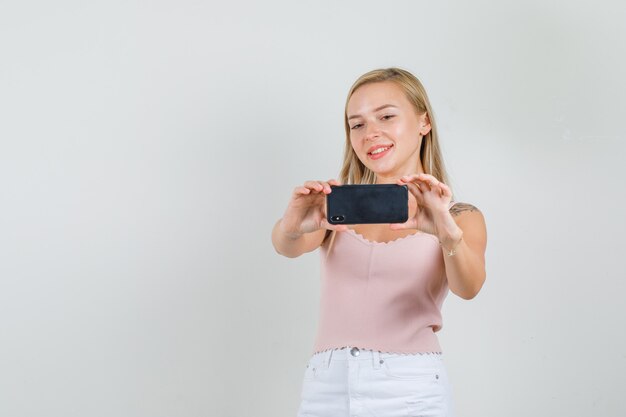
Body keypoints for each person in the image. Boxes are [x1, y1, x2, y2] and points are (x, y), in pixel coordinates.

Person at [271, 67, 487, 417]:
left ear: (423, 122)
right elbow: (285, 245)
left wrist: (445, 231)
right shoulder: (334, 209)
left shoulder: (460, 216)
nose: (371, 133)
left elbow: (469, 286)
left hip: (410, 387)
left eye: (386, 116)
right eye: (357, 124)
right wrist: (293, 224)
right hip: (327, 387)